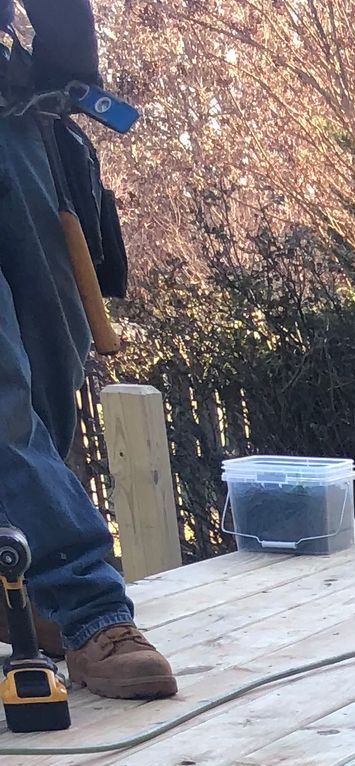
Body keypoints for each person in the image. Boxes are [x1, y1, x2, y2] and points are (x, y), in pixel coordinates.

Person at [1, 0, 174, 698]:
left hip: (14, 110)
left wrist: (68, 63)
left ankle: (23, 587)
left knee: (53, 359)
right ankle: (87, 605)